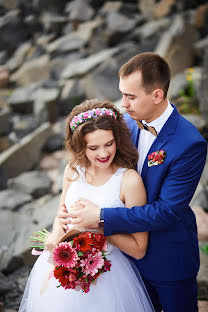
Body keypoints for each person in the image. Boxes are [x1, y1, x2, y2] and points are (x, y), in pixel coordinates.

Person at [58, 53, 207, 312]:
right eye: (122, 94)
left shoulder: (189, 144)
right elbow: (96, 165)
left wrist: (101, 217)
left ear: (157, 95)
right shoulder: (124, 124)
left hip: (167, 260)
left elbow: (168, 211)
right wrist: (68, 209)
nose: (123, 104)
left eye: (131, 96)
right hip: (121, 263)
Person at [18, 99, 155, 312]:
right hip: (63, 269)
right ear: (81, 146)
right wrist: (56, 233)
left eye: (109, 143)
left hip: (110, 277)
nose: (103, 154)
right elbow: (62, 214)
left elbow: (139, 249)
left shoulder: (129, 181)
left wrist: (100, 228)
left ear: (117, 138)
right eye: (93, 147)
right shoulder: (73, 170)